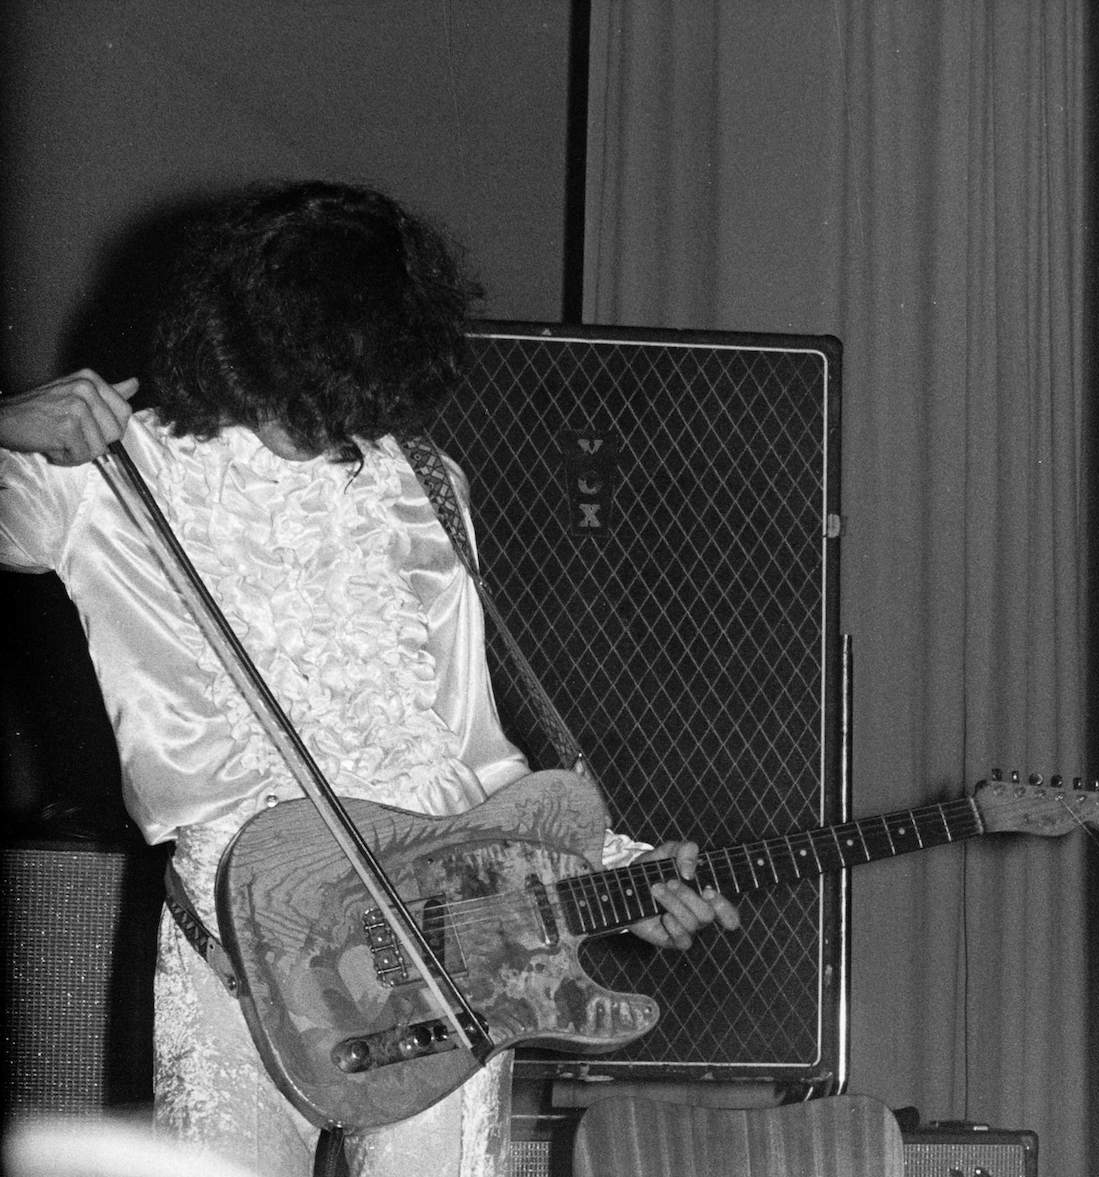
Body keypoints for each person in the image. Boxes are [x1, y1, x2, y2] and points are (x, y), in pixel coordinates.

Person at [0, 181, 740, 1177]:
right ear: (238, 344)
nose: (325, 424)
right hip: (236, 951)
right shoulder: (103, 467)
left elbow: (474, 756)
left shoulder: (420, 485)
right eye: (302, 388)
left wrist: (612, 871)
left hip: (444, 946)